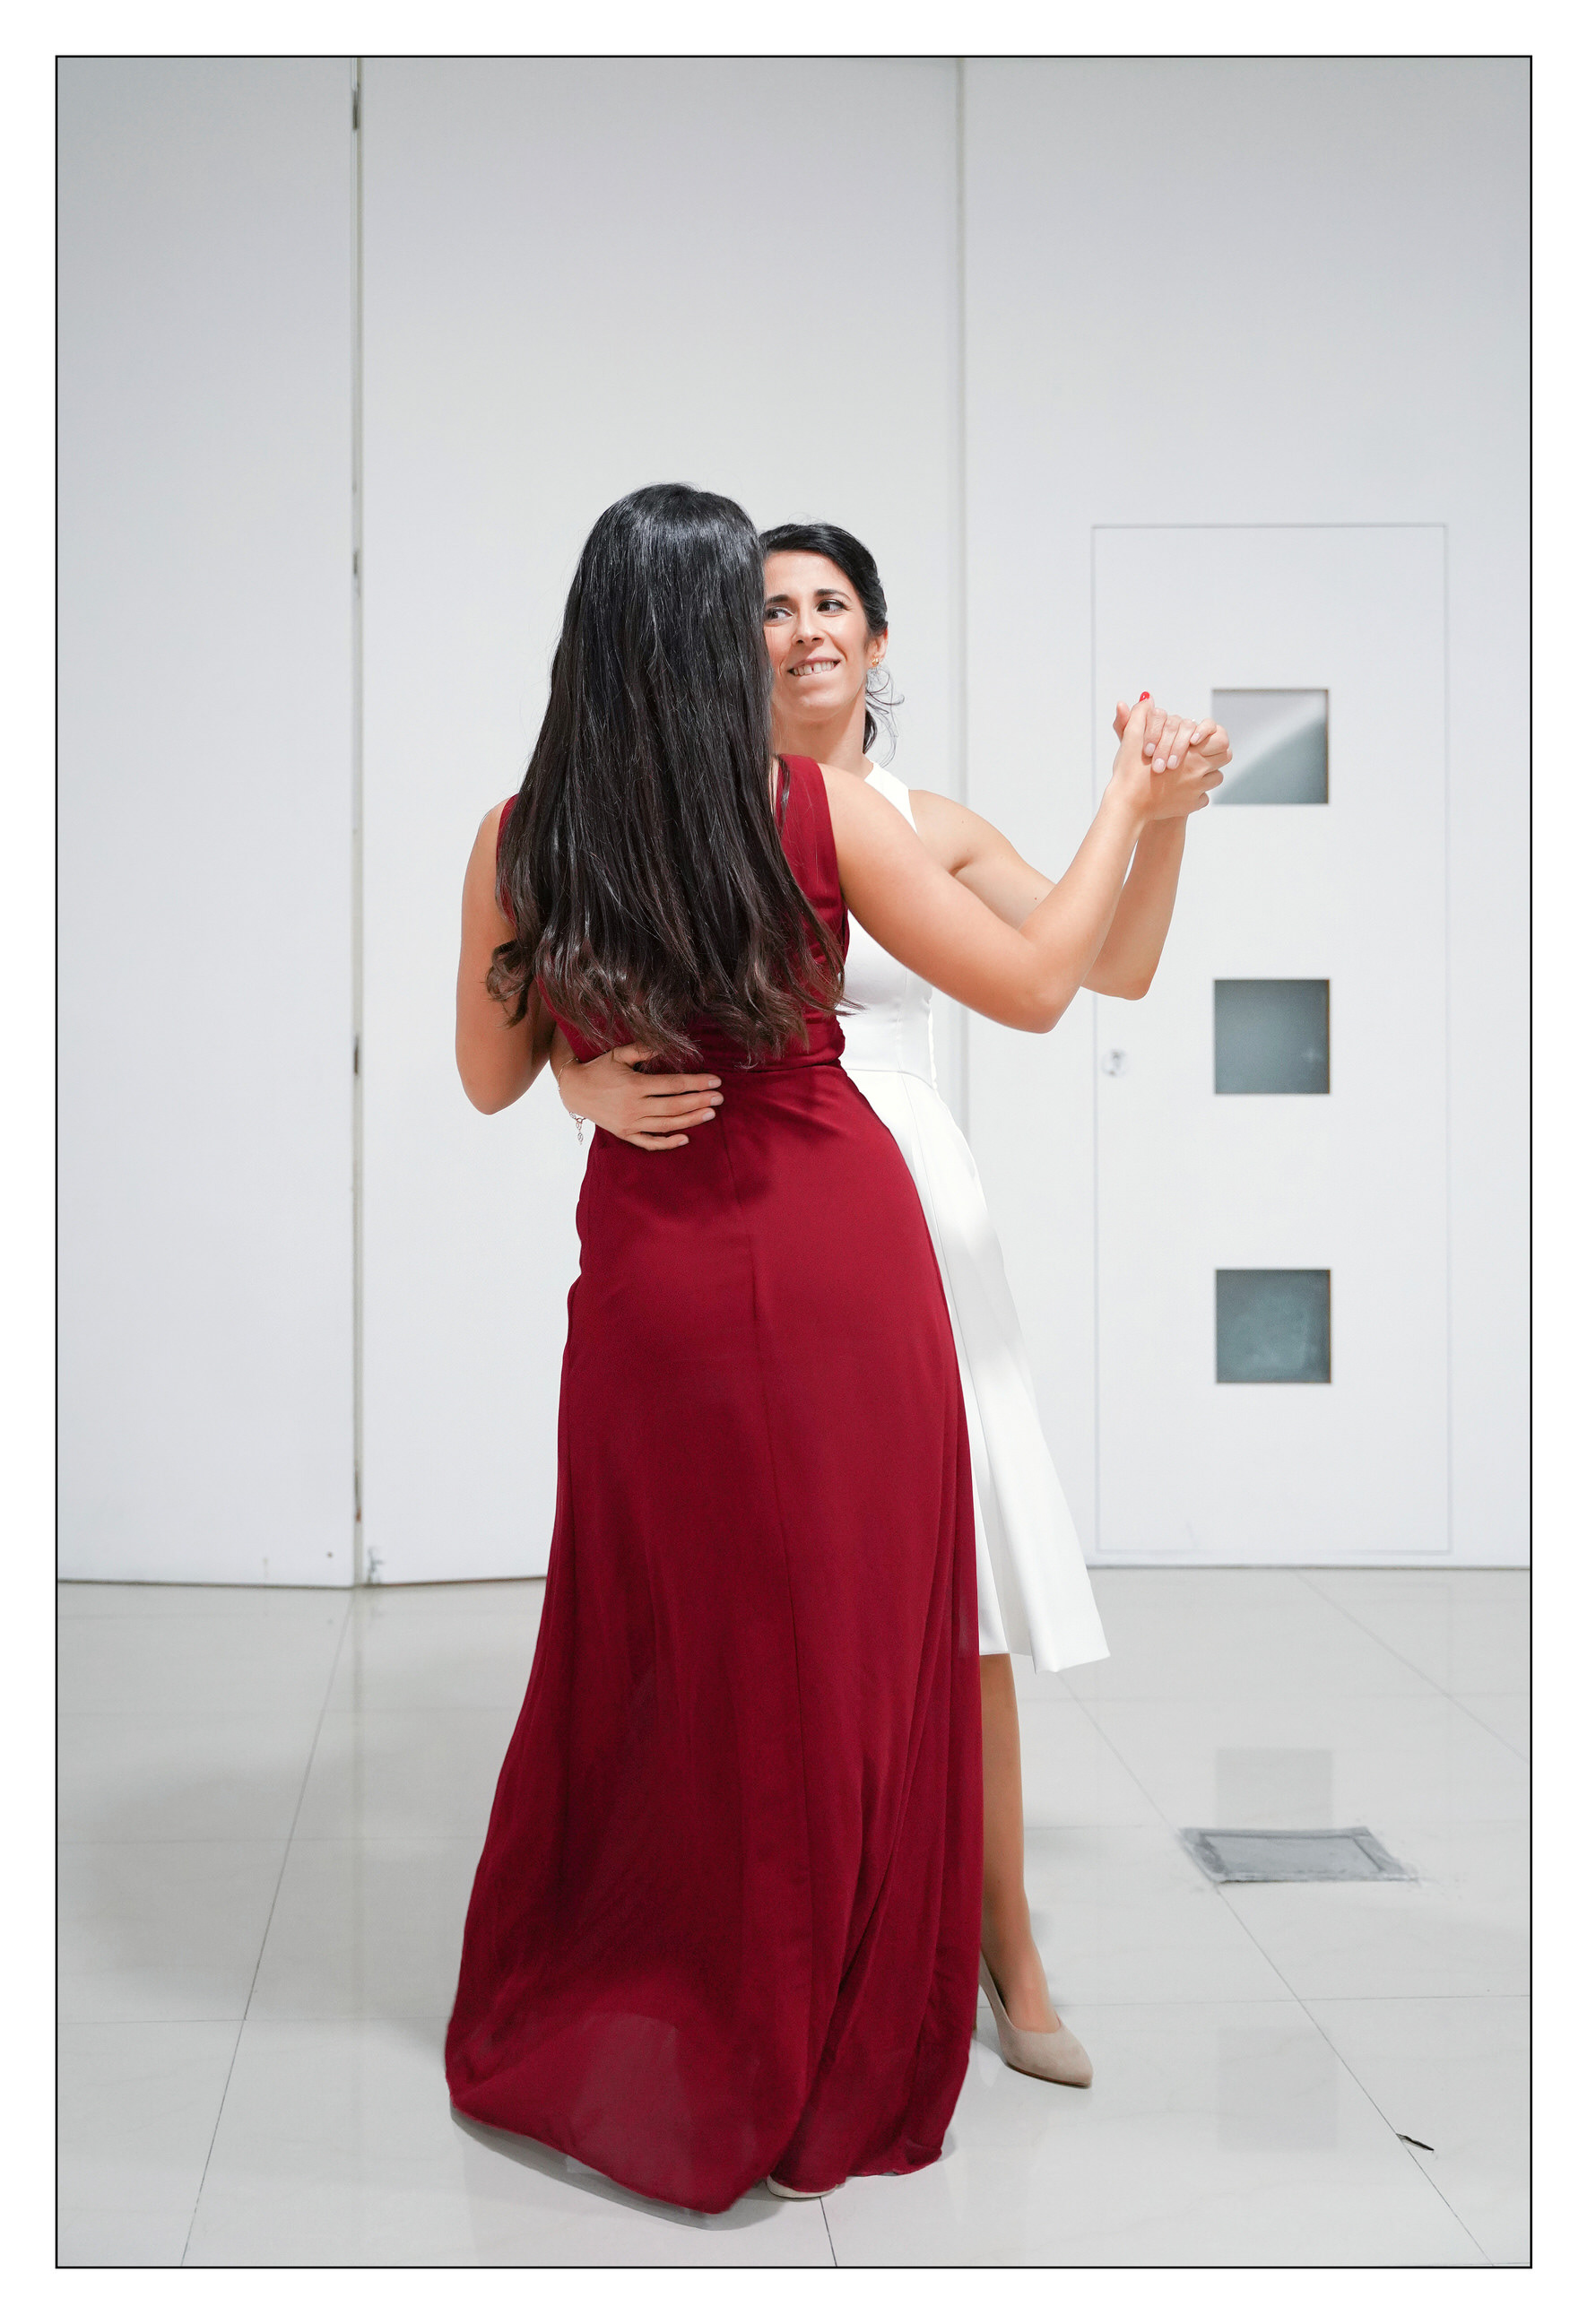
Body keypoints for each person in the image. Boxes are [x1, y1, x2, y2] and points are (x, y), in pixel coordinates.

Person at [447, 483, 1218, 2216]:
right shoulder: (810, 808)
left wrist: (579, 1068)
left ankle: (679, 1965)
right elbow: (1038, 988)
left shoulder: (515, 833)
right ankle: (853, 1980)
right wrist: (1126, 797)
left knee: (664, 1629)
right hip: (837, 1250)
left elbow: (490, 1077)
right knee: (854, 1639)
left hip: (647, 1274)